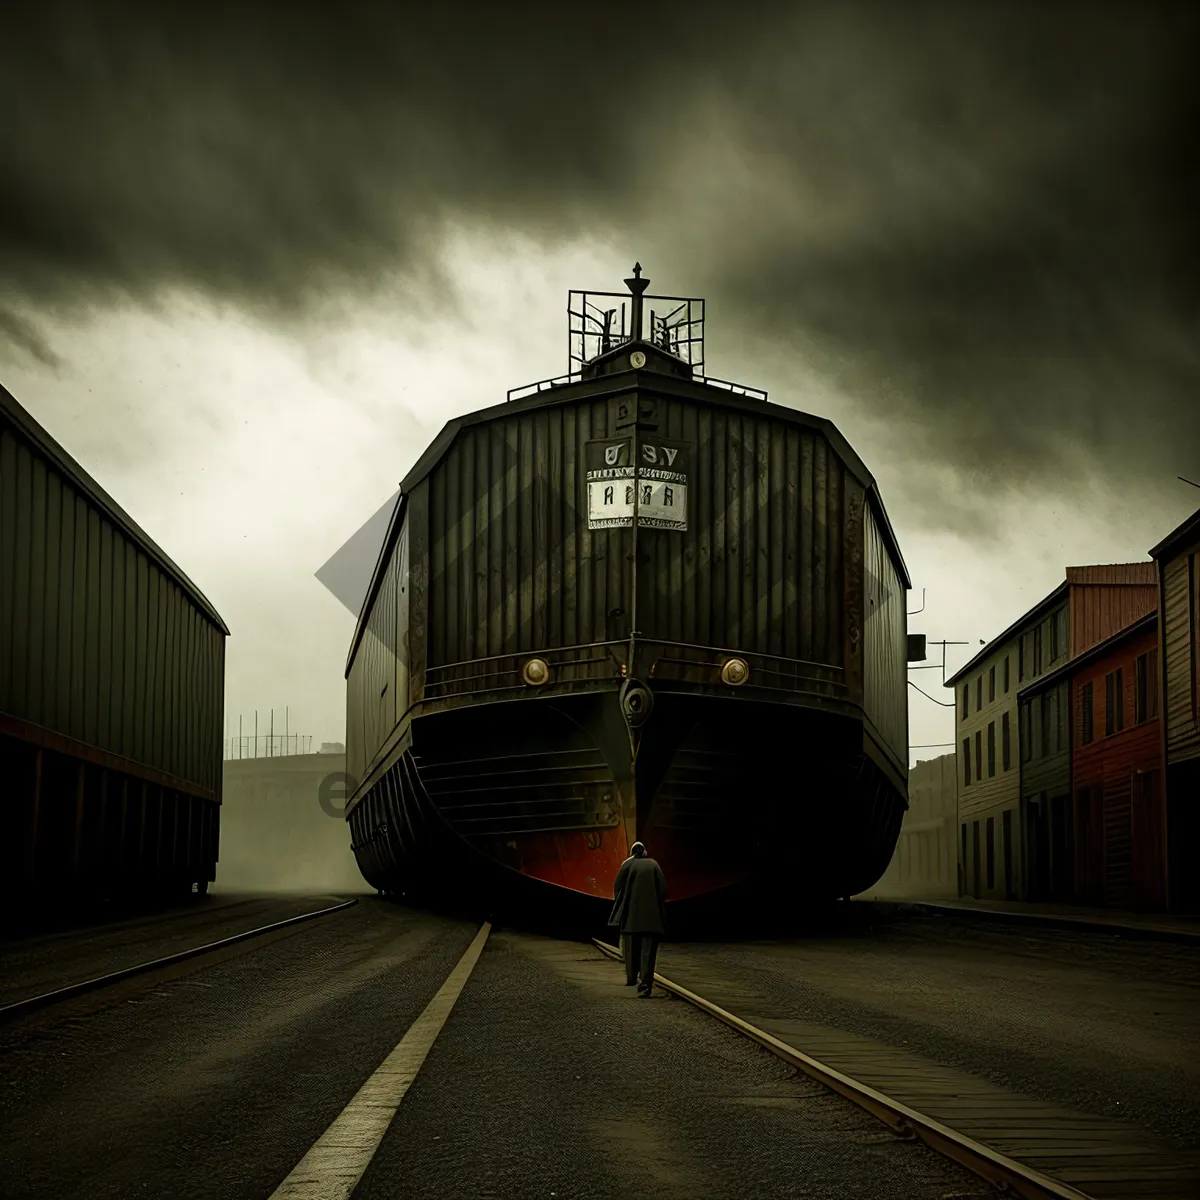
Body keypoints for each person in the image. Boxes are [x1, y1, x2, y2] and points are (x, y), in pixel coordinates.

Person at [608, 841, 667, 997]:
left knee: (630, 949)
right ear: (645, 852)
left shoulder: (627, 865)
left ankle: (631, 977)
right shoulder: (654, 865)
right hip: (651, 919)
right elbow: (663, 890)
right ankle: (646, 984)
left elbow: (617, 887)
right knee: (648, 953)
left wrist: (620, 907)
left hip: (630, 918)